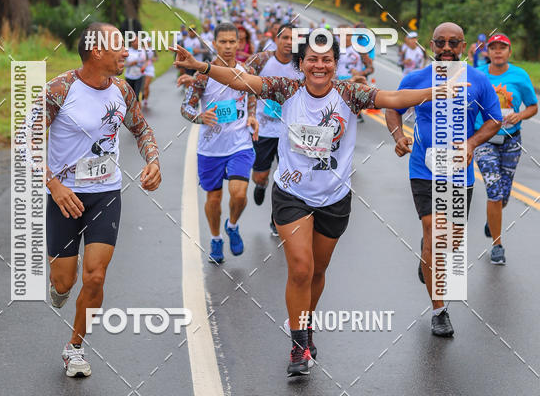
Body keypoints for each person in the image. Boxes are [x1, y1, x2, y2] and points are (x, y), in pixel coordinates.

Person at [173, 30, 456, 378]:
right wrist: (201, 66)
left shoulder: (350, 93)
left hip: (334, 198)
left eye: (326, 59)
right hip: (292, 195)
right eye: (312, 59)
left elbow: (393, 97)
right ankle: (297, 344)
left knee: (318, 272)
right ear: (301, 64)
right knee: (302, 268)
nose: (319, 65)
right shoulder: (286, 88)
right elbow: (241, 79)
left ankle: (305, 326)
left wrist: (435, 92)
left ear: (335, 64)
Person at [40, 23, 161, 377]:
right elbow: (27, 142)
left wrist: (153, 160)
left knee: (95, 277)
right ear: (96, 51)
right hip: (64, 197)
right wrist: (54, 185)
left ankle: (74, 348)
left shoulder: (122, 90)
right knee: (65, 281)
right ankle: (58, 286)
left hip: (105, 193)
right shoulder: (59, 90)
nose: (128, 53)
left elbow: (142, 129)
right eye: (119, 47)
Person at [385, 22, 502, 338]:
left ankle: (428, 250)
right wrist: (398, 135)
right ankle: (440, 311)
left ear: (464, 46)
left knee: (450, 243)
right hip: (424, 169)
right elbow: (393, 107)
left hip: (459, 171)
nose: (447, 48)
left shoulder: (477, 81)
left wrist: (472, 143)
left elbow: (494, 120)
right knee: (435, 232)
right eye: (440, 42)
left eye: (454, 42)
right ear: (431, 45)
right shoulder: (415, 80)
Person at [180, 22, 259, 264]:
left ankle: (232, 225)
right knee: (213, 200)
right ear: (214, 44)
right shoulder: (203, 76)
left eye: (231, 41)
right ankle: (216, 239)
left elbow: (252, 94)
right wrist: (200, 117)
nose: (227, 46)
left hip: (240, 144)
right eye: (222, 42)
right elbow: (186, 107)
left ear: (239, 43)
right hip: (210, 148)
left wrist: (253, 116)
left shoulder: (247, 72)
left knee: (239, 194)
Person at [473, 33, 538, 264]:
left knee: (504, 194)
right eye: (494, 48)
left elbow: (533, 106)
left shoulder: (519, 76)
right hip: (484, 139)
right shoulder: (478, 74)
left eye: (503, 47)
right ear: (487, 52)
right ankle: (497, 245)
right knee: (494, 190)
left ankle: (494, 217)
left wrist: (520, 114)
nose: (498, 51)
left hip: (511, 141)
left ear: (509, 52)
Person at [247, 23, 303, 234]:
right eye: (285, 37)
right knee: (260, 175)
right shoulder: (262, 59)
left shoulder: (302, 62)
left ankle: (276, 219)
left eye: (294, 39)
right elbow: (240, 78)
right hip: (263, 128)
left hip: (290, 131)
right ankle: (261, 185)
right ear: (277, 39)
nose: (289, 42)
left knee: (286, 178)